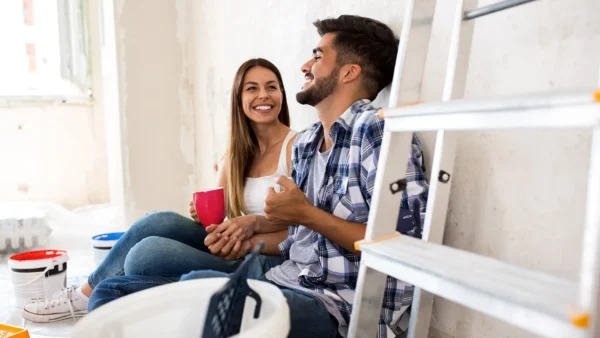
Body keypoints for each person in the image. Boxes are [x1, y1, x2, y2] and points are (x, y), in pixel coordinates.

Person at [91, 15, 429, 338]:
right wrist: (251, 229)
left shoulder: (378, 133)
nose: (304, 66)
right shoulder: (310, 143)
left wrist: (305, 215)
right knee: (111, 292)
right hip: (288, 277)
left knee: (200, 289)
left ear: (348, 73)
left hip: (336, 305)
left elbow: (402, 246)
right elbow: (299, 241)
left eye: (317, 56)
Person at [21, 58, 297, 323]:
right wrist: (203, 216)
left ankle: (106, 294)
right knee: (158, 221)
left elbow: (305, 231)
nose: (264, 95)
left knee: (144, 256)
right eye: (252, 88)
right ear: (238, 99)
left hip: (270, 258)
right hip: (236, 246)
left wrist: (247, 238)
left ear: (282, 94)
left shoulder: (297, 148)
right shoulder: (235, 155)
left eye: (271, 86)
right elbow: (217, 220)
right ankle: (85, 294)